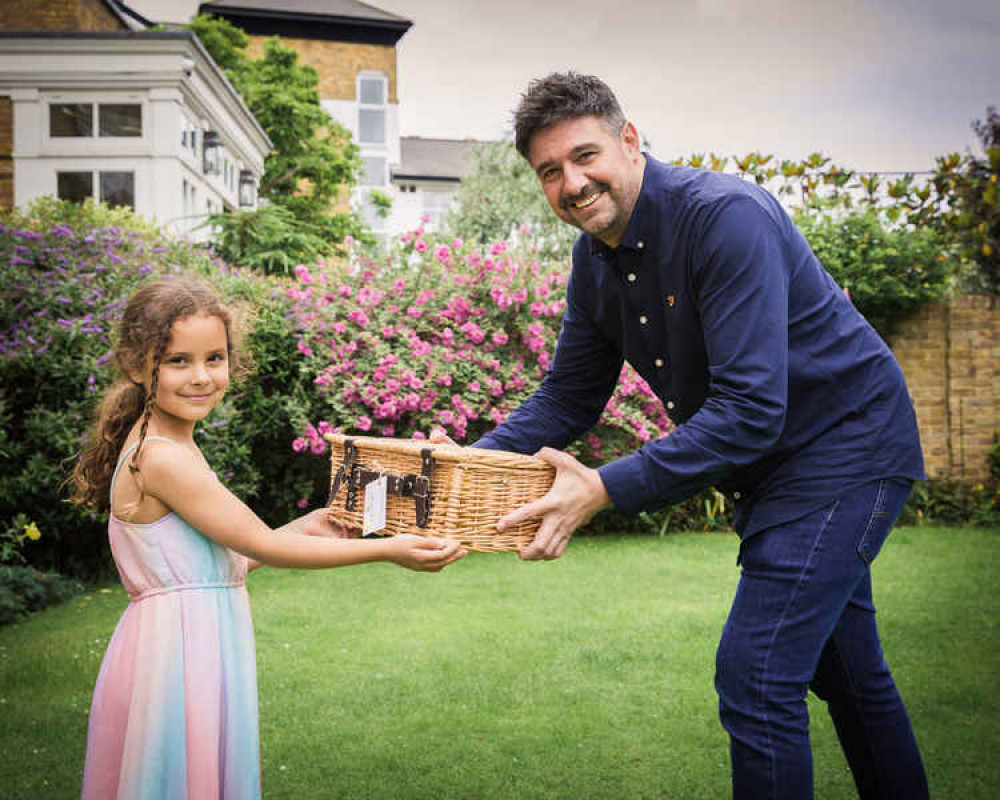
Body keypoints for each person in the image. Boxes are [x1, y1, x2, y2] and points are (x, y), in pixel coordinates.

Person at [471, 72, 929, 798]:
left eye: (584, 155)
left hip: (847, 448)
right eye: (549, 171)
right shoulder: (592, 263)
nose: (572, 183)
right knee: (848, 676)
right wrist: (465, 465)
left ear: (629, 139)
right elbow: (569, 394)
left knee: (758, 676)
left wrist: (601, 488)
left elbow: (750, 410)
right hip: (777, 469)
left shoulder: (725, 217)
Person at [72, 277, 465, 799]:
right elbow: (263, 546)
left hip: (187, 642)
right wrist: (388, 549)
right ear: (137, 365)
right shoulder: (163, 458)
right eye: (178, 361)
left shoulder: (167, 444)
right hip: (178, 657)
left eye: (214, 358)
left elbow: (218, 564)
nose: (201, 376)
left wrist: (313, 524)